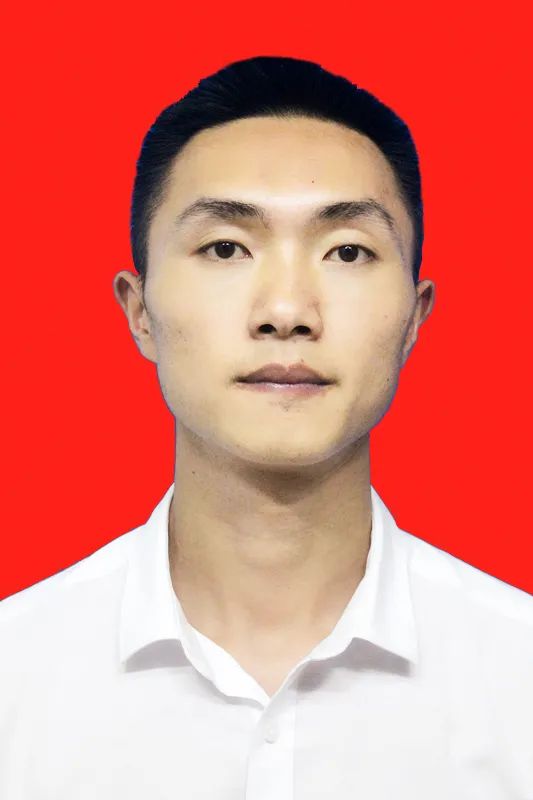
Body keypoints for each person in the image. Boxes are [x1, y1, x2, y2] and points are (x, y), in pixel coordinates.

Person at [1, 55, 531, 799]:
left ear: (414, 318)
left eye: (347, 251)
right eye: (226, 248)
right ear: (139, 311)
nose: (286, 312)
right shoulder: (16, 675)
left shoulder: (517, 675)